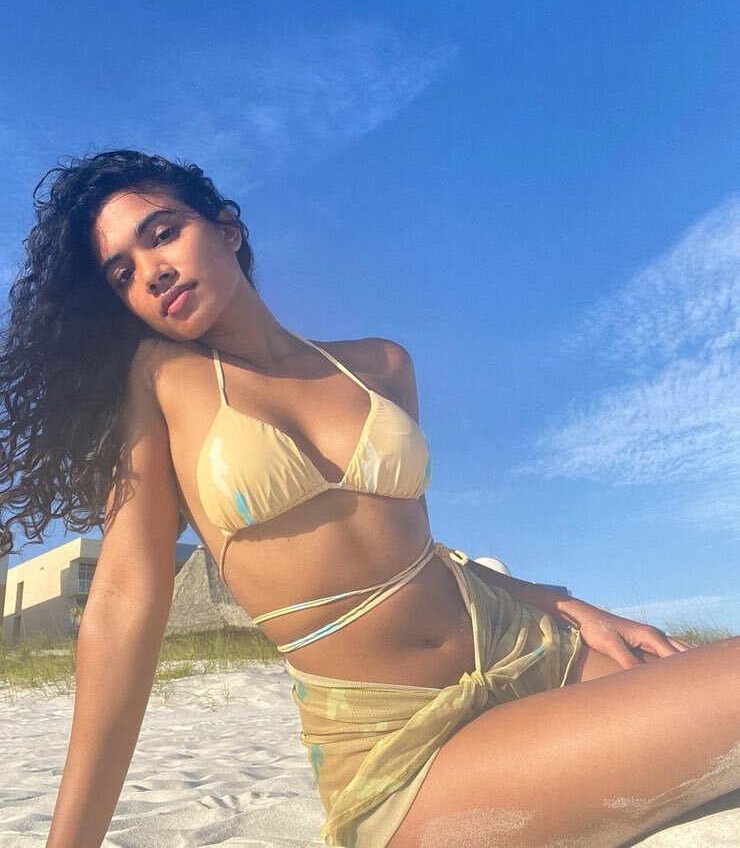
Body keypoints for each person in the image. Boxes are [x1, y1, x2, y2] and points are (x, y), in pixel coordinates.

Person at [0, 149, 737, 848]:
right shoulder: (160, 381)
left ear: (226, 228)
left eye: (163, 233)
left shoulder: (381, 365)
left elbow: (414, 551)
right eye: (122, 273)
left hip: (529, 647)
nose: (152, 273)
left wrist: (562, 603)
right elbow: (123, 599)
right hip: (400, 748)